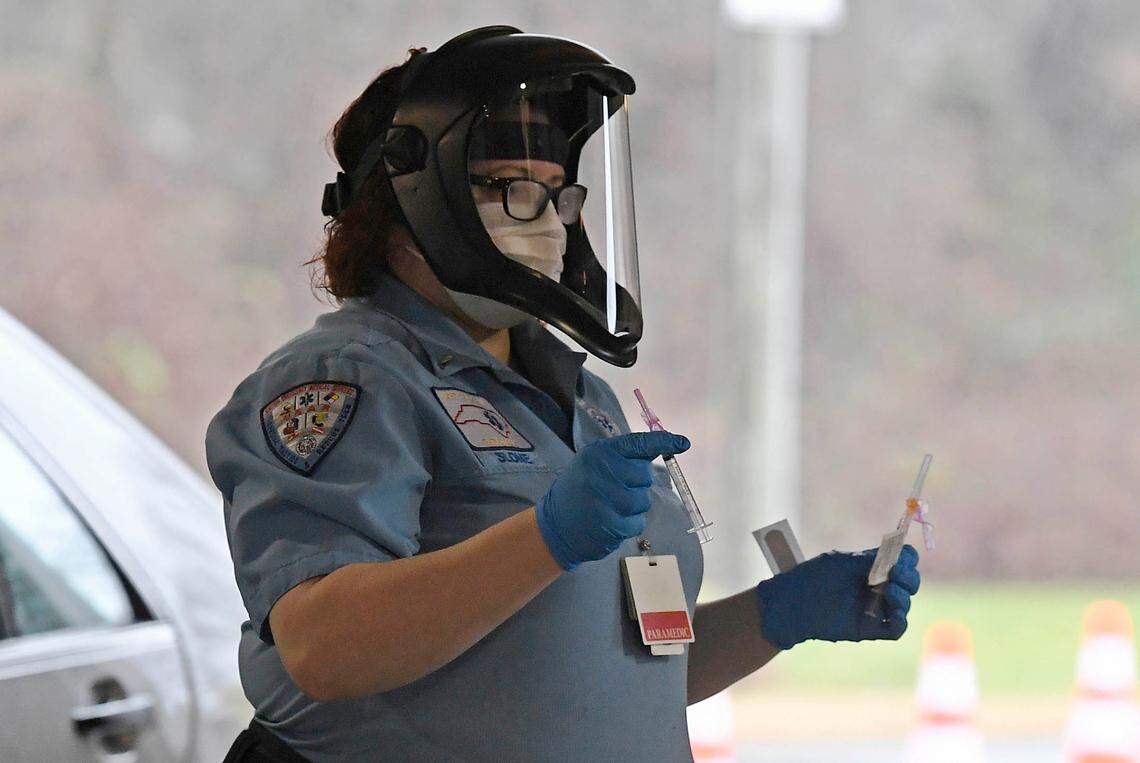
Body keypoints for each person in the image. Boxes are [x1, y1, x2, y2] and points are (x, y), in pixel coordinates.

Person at [206, 26, 921, 763]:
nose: (549, 222)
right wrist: (543, 538)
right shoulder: (349, 381)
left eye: (558, 194)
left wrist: (776, 615)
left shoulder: (581, 398)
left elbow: (628, 674)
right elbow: (325, 648)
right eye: (513, 190)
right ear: (419, 198)